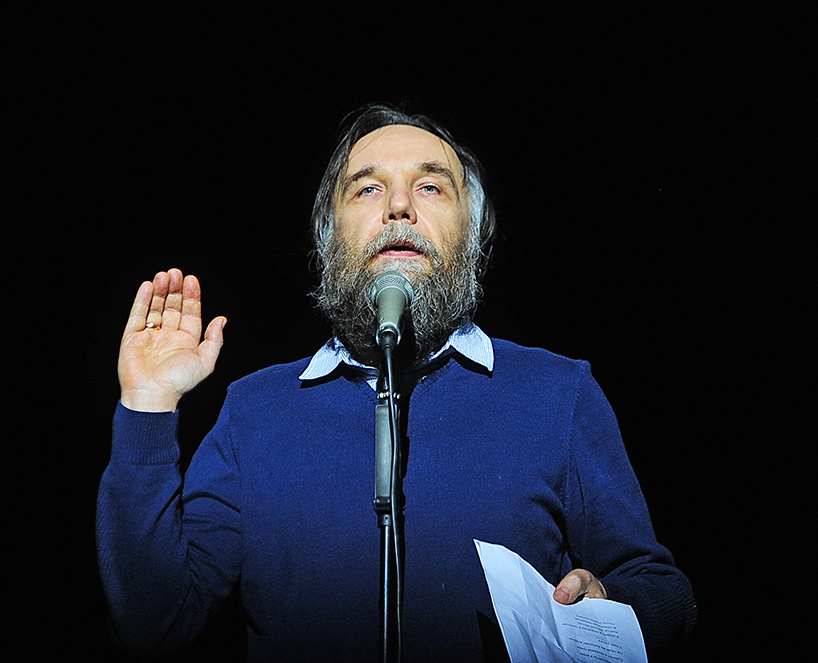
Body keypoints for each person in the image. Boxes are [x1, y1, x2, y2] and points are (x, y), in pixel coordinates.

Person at [97, 105, 697, 661]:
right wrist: (147, 407)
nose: (400, 206)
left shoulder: (558, 393)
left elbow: (664, 593)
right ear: (329, 237)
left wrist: (610, 607)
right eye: (368, 188)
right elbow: (156, 625)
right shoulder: (253, 411)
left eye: (431, 186)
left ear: (473, 234)